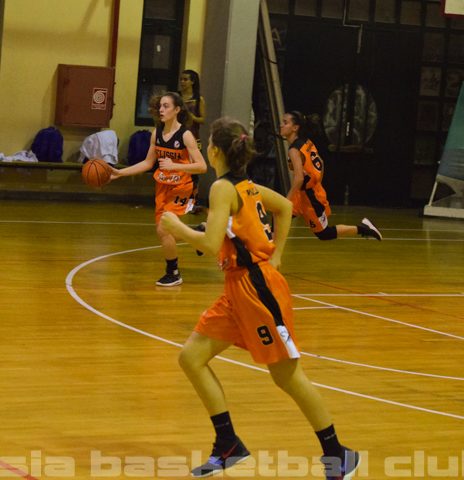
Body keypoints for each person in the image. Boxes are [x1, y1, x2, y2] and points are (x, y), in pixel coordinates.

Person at [160, 118, 361, 479]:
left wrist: (178, 227)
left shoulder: (223, 187)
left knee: (287, 376)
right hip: (237, 288)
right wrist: (276, 253)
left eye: (208, 142)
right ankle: (228, 444)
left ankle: (338, 454)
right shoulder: (246, 186)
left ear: (215, 151)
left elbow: (210, 244)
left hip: (257, 290)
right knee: (191, 358)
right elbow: (282, 207)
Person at [110, 92, 206, 287]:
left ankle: (173, 273)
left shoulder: (186, 135)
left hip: (183, 186)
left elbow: (202, 166)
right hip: (163, 185)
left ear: (177, 110)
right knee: (164, 232)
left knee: (164, 228)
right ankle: (200, 235)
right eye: (160, 106)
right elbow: (147, 163)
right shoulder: (157, 133)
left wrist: (174, 166)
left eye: (166, 106)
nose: (161, 110)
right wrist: (120, 173)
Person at [281, 111, 382, 241]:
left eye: (285, 123)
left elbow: (299, 178)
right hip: (304, 193)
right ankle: (269, 248)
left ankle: (364, 228)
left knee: (324, 234)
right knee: (280, 214)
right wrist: (316, 183)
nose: (281, 125)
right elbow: (321, 162)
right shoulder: (306, 142)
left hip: (310, 196)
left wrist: (287, 199)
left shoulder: (294, 150)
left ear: (295, 128)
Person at [179, 70, 206, 149]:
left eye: (185, 79)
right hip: (178, 135)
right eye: (181, 79)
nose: (182, 82)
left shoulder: (198, 99)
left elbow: (202, 120)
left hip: (193, 135)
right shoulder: (176, 97)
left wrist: (192, 117)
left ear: (192, 81)